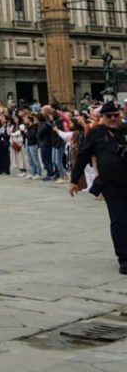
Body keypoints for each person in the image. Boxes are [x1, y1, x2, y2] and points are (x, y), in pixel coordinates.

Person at [69, 100, 127, 274]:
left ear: (120, 115)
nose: (112, 119)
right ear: (102, 117)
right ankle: (124, 258)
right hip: (111, 183)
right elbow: (83, 155)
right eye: (108, 116)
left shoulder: (125, 130)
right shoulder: (95, 133)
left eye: (115, 115)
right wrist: (74, 180)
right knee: (119, 219)